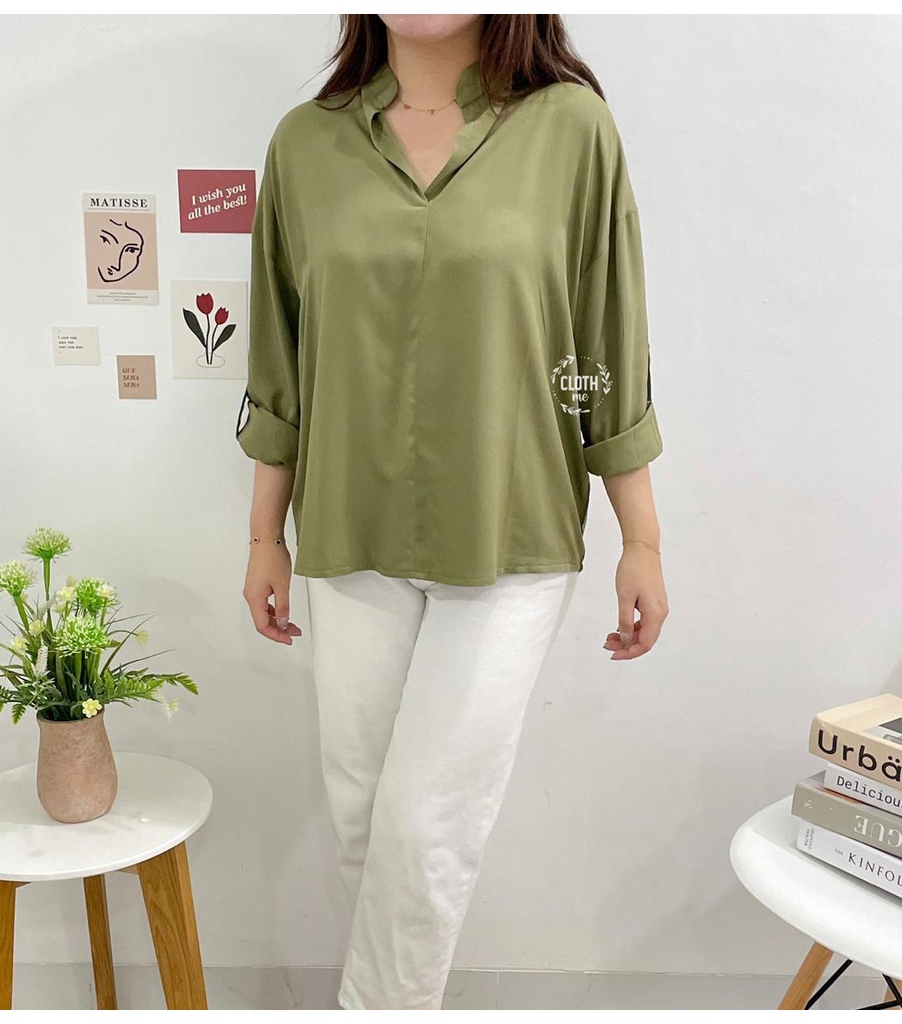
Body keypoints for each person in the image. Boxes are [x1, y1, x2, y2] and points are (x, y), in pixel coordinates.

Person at [236, 14, 669, 1011]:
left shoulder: (571, 129)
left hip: (510, 530)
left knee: (426, 828)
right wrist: (264, 532)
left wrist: (640, 534)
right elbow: (280, 357)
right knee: (365, 822)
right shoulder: (305, 145)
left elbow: (607, 338)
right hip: (348, 529)